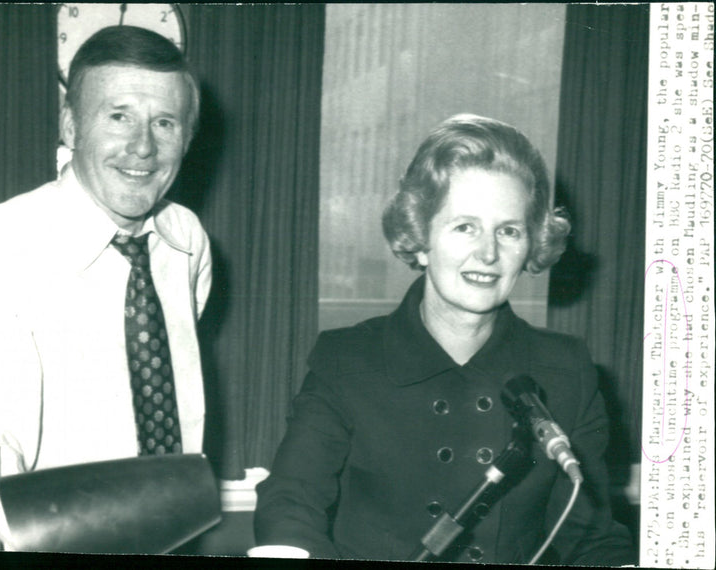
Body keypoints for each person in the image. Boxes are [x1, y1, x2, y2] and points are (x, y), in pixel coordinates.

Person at [254, 114, 635, 564]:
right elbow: (290, 505)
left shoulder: (566, 369)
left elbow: (591, 540)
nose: (488, 254)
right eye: (465, 227)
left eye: (509, 231)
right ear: (419, 236)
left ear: (531, 246)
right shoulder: (346, 359)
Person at [0, 26, 212, 476]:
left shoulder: (186, 240)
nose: (143, 146)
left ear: (186, 138)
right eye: (119, 116)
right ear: (71, 126)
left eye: (164, 122)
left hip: (173, 534)